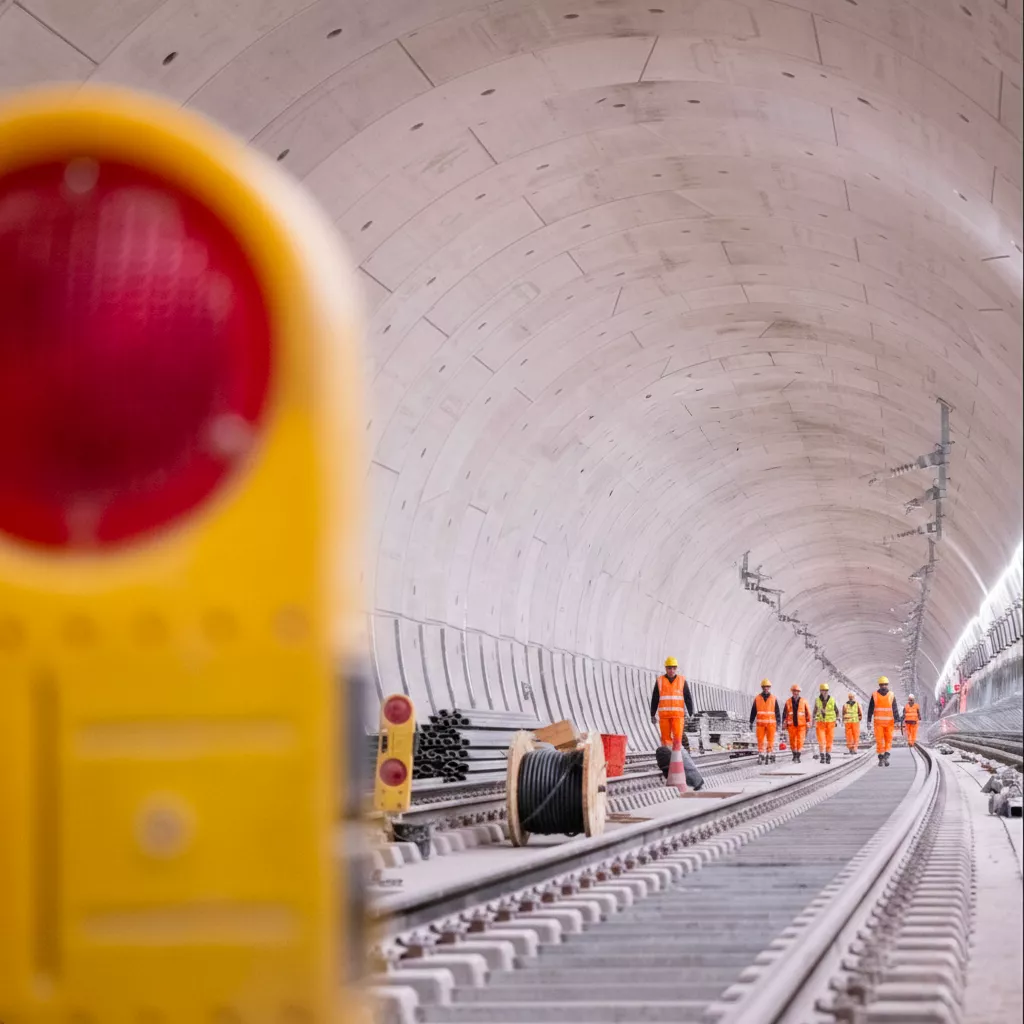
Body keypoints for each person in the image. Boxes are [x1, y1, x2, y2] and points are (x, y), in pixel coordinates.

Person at [650, 657, 694, 747]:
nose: (671, 670)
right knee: (665, 739)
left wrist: (691, 713)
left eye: (674, 668)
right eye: (669, 668)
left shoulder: (682, 681)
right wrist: (652, 714)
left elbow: (688, 698)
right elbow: (655, 698)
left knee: (677, 738)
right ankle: (668, 758)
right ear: (666, 668)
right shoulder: (660, 681)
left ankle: (676, 759)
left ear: (676, 669)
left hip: (677, 716)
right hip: (664, 717)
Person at [866, 675, 901, 766]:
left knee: (888, 739)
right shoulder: (874, 695)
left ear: (887, 685)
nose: (884, 686)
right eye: (882, 685)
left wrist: (897, 720)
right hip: (878, 723)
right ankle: (881, 757)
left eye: (885, 685)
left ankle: (886, 755)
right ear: (879, 685)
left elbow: (895, 709)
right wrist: (868, 720)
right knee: (879, 740)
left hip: (889, 723)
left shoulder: (891, 695)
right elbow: (870, 709)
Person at [749, 678, 780, 765]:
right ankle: (761, 753)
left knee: (770, 740)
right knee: (760, 740)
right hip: (760, 724)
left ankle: (769, 752)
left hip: (771, 724)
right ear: (762, 687)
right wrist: (751, 722)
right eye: (764, 687)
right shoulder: (757, 698)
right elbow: (753, 711)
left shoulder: (773, 698)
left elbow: (777, 712)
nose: (766, 688)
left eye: (767, 687)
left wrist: (779, 723)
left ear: (769, 688)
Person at [782, 683, 811, 763]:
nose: (795, 693)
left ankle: (798, 755)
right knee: (792, 740)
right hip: (791, 725)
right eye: (794, 691)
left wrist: (808, 722)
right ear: (792, 692)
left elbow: (808, 712)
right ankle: (794, 754)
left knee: (800, 740)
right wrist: (784, 723)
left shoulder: (804, 701)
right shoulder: (788, 702)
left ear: (799, 692)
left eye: (797, 691)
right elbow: (785, 713)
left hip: (801, 725)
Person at [813, 682, 839, 763]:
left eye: (826, 690)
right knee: (821, 740)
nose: (825, 692)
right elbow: (814, 711)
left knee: (829, 740)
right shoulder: (817, 700)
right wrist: (813, 720)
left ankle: (828, 755)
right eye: (823, 690)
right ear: (820, 691)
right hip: (820, 723)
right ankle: (822, 755)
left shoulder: (832, 700)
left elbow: (837, 711)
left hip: (830, 723)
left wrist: (837, 720)